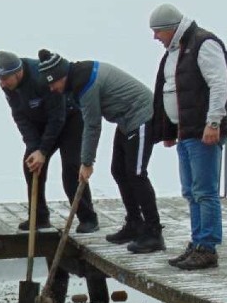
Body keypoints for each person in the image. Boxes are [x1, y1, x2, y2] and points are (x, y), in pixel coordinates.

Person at [38, 49, 166, 254]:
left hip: (142, 115)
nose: (52, 88)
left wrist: (87, 162)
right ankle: (134, 223)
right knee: (118, 170)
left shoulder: (85, 84)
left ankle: (153, 233)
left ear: (62, 76)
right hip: (125, 121)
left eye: (53, 83)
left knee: (136, 174)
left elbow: (92, 125)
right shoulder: (77, 77)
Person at [150, 3, 227, 271]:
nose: (155, 38)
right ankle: (197, 242)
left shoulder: (203, 43)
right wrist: (169, 130)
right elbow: (171, 91)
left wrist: (213, 122)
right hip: (185, 132)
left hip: (203, 131)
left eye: (157, 32)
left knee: (205, 191)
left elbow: (219, 84)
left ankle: (207, 246)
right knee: (190, 191)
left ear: (171, 29)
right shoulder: (175, 51)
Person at [0, 50, 99, 234]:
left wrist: (43, 150)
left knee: (71, 168)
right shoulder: (8, 86)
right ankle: (39, 217)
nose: (2, 84)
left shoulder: (40, 77)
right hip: (40, 122)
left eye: (5, 79)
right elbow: (20, 117)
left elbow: (57, 116)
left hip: (69, 119)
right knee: (31, 165)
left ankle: (88, 218)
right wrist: (35, 148)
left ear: (17, 72)